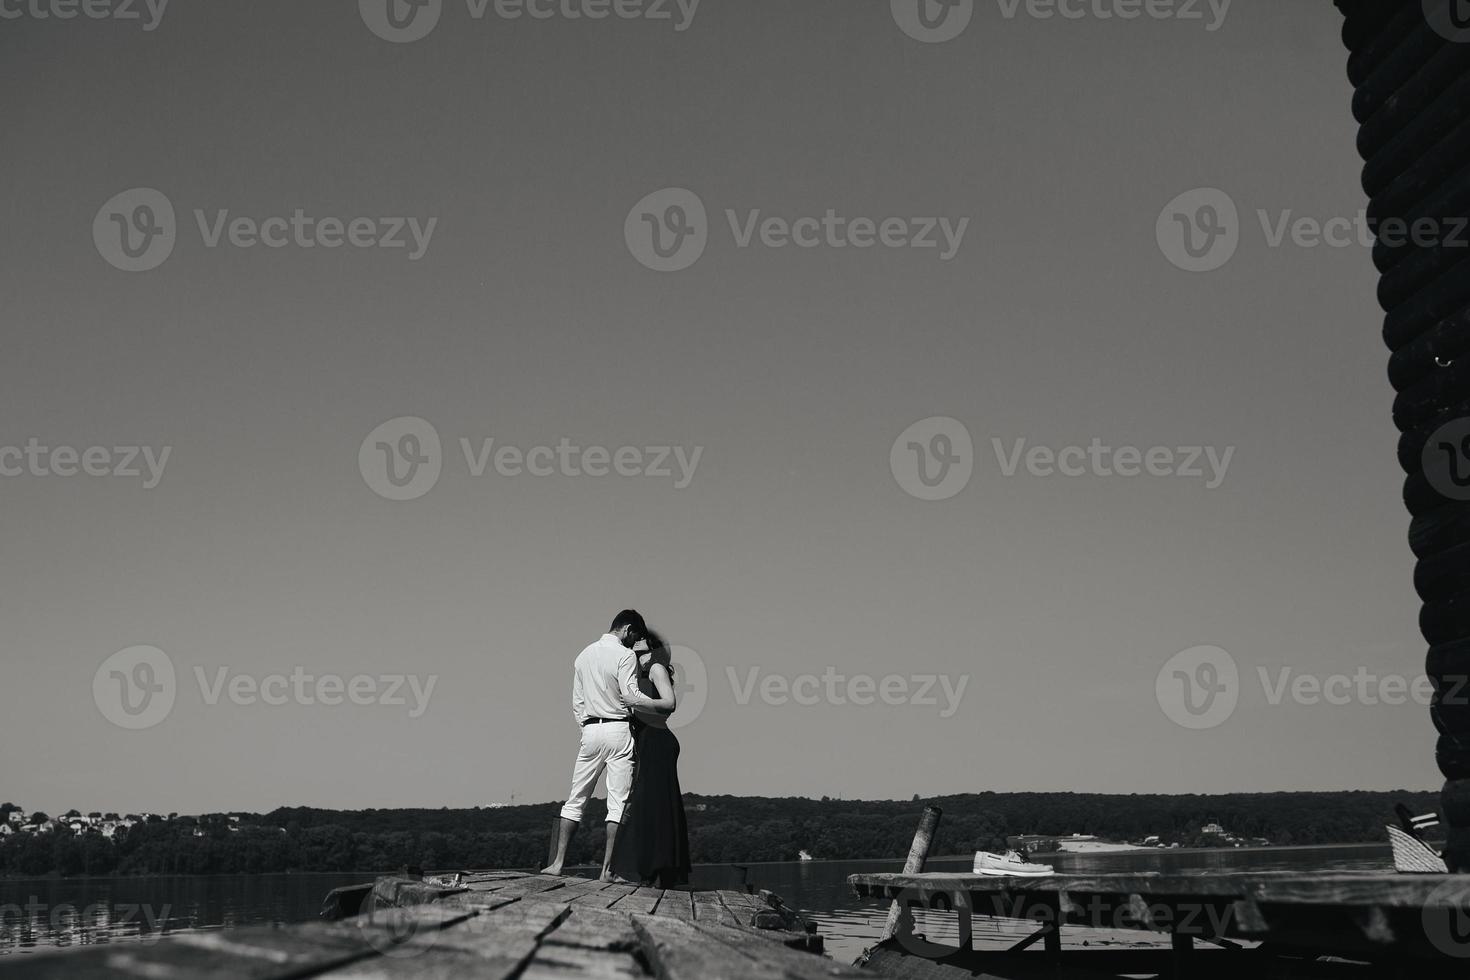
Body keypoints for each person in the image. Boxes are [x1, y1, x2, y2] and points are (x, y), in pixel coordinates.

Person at [543, 610, 675, 882]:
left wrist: (587, 727)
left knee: (575, 798)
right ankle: (607, 871)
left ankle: (557, 864)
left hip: (590, 730)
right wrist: (653, 704)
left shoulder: (583, 655)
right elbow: (630, 695)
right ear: (627, 629)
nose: (633, 642)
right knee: (617, 803)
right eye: (634, 636)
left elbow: (577, 702)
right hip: (617, 728)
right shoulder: (624, 655)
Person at [609, 631, 691, 887]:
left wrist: (634, 701)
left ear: (651, 645)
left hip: (658, 741)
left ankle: (655, 871)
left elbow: (670, 703)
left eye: (641, 639)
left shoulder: (656, 668)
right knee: (647, 806)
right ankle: (651, 870)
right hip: (646, 742)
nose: (635, 641)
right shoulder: (633, 673)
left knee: (654, 806)